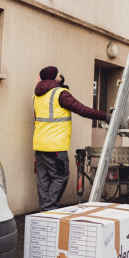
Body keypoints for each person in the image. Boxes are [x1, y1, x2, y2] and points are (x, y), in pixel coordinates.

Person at [33, 65, 110, 211]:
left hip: (39, 145)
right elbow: (82, 109)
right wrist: (104, 116)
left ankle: (44, 212)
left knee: (43, 180)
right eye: (58, 73)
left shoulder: (37, 94)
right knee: (60, 177)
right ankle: (49, 209)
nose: (61, 75)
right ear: (54, 77)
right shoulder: (60, 93)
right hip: (55, 146)